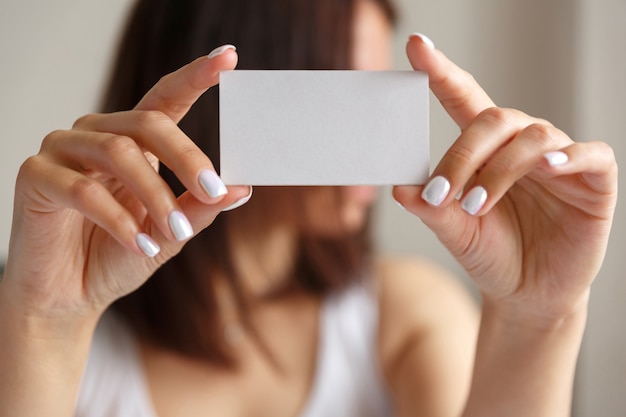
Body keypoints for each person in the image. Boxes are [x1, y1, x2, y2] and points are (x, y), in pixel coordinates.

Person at [0, 0, 617, 416]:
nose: (379, 146)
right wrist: (42, 322)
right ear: (232, 105)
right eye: (338, 99)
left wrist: (539, 321)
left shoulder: (403, 315)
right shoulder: (65, 342)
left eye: (382, 98)